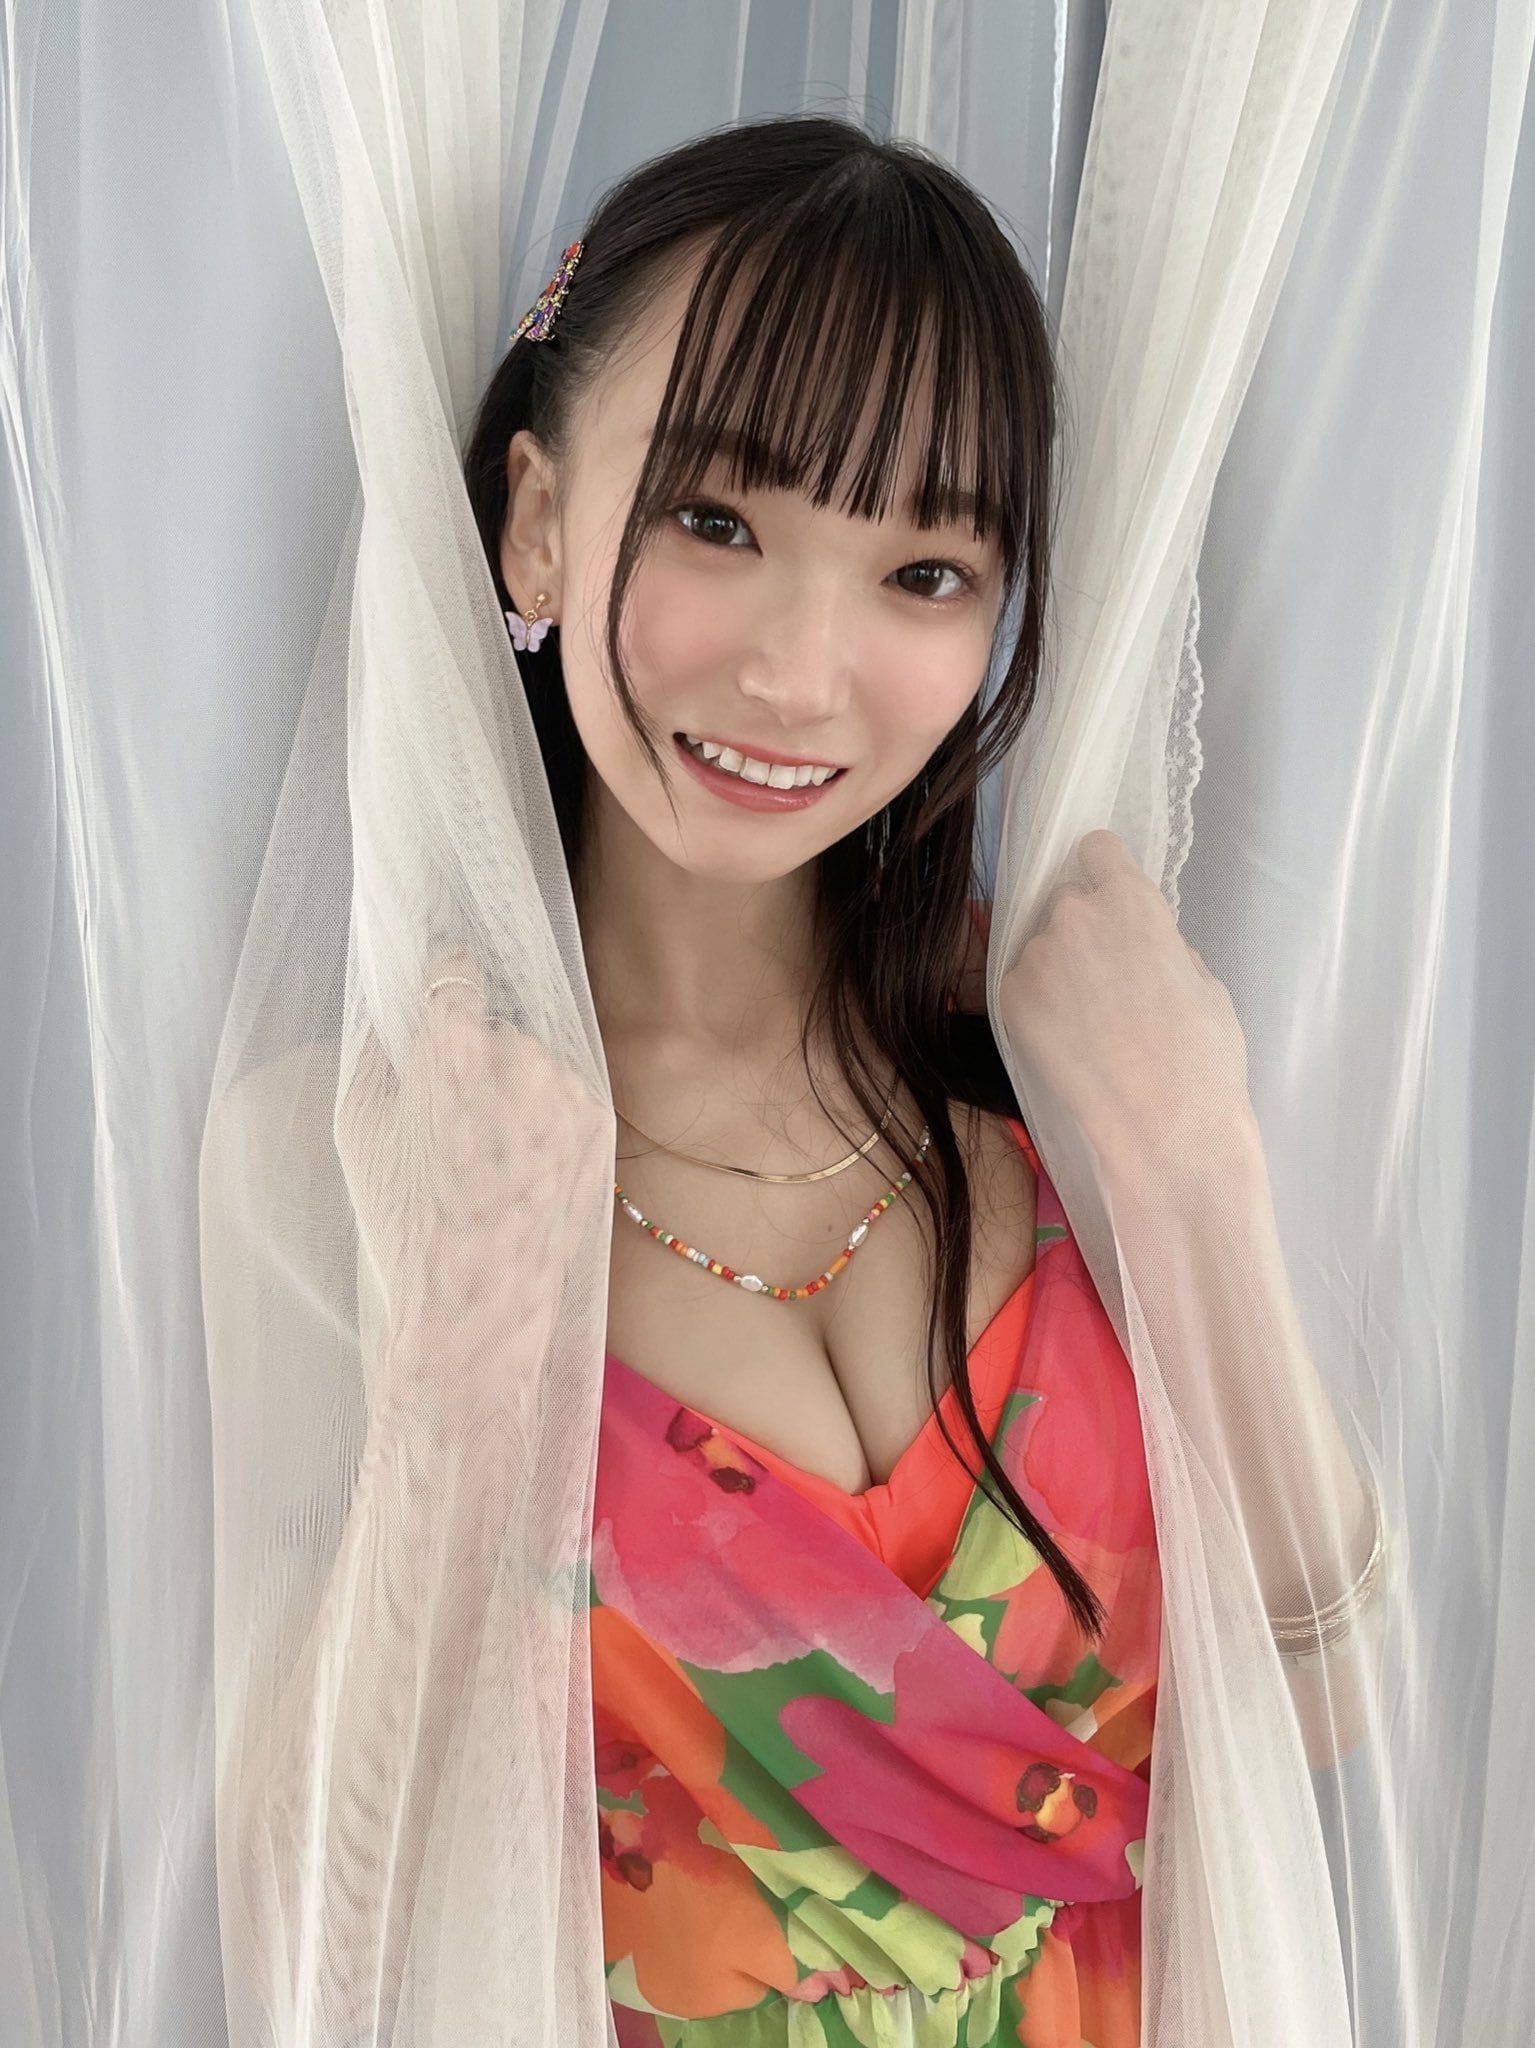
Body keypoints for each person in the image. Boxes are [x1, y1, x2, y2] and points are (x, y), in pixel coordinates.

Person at [453, 113, 1161, 2047]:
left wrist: (1209, 1176)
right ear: (537, 518)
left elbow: (1331, 1710)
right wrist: (449, 1394)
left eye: (923, 570)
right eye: (718, 522)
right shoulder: (383, 1149)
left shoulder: (1065, 1109)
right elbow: (290, 1923)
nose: (799, 674)